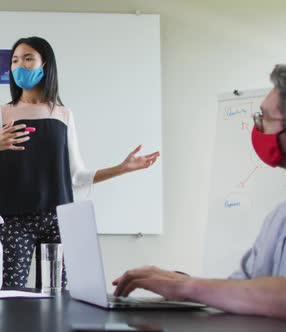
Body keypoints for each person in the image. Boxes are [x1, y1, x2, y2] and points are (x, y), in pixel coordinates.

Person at [0, 36, 160, 288]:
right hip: (13, 220)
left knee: (57, 297)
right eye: (14, 61)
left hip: (59, 219)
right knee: (10, 294)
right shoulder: (1, 114)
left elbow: (76, 176)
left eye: (28, 58)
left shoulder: (63, 115)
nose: (19, 65)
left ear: (45, 65)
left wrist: (122, 168)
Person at [112, 65, 286, 320]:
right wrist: (178, 282)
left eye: (265, 119)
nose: (258, 128)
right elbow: (243, 286)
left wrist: (187, 287)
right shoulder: (278, 217)